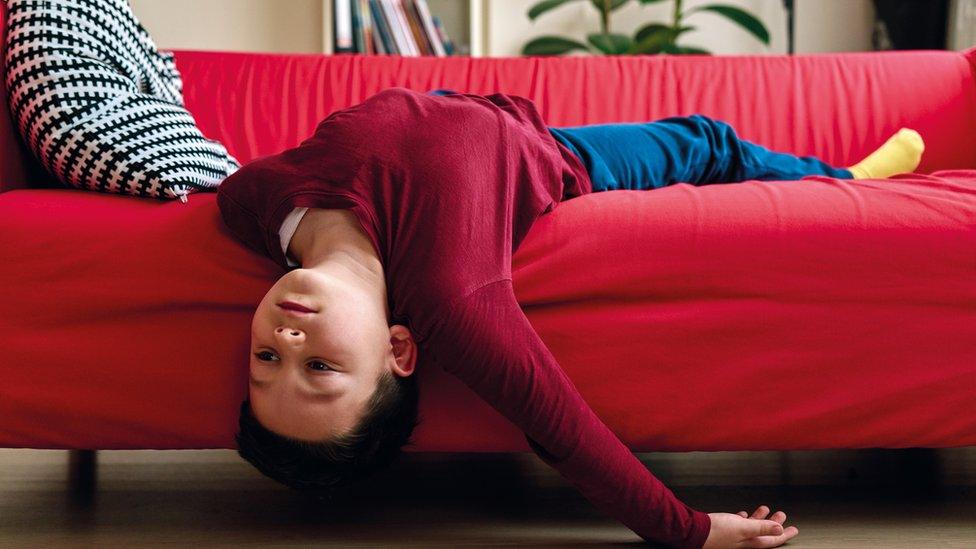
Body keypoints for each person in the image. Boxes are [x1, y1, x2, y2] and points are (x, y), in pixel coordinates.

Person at [216, 87, 924, 549]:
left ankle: (838, 174)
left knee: (710, 139)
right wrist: (689, 529)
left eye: (266, 362)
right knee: (708, 142)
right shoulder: (451, 296)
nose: (286, 337)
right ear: (400, 348)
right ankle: (849, 181)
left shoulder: (250, 203)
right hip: (559, 157)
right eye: (320, 367)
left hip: (498, 111)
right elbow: (559, 424)